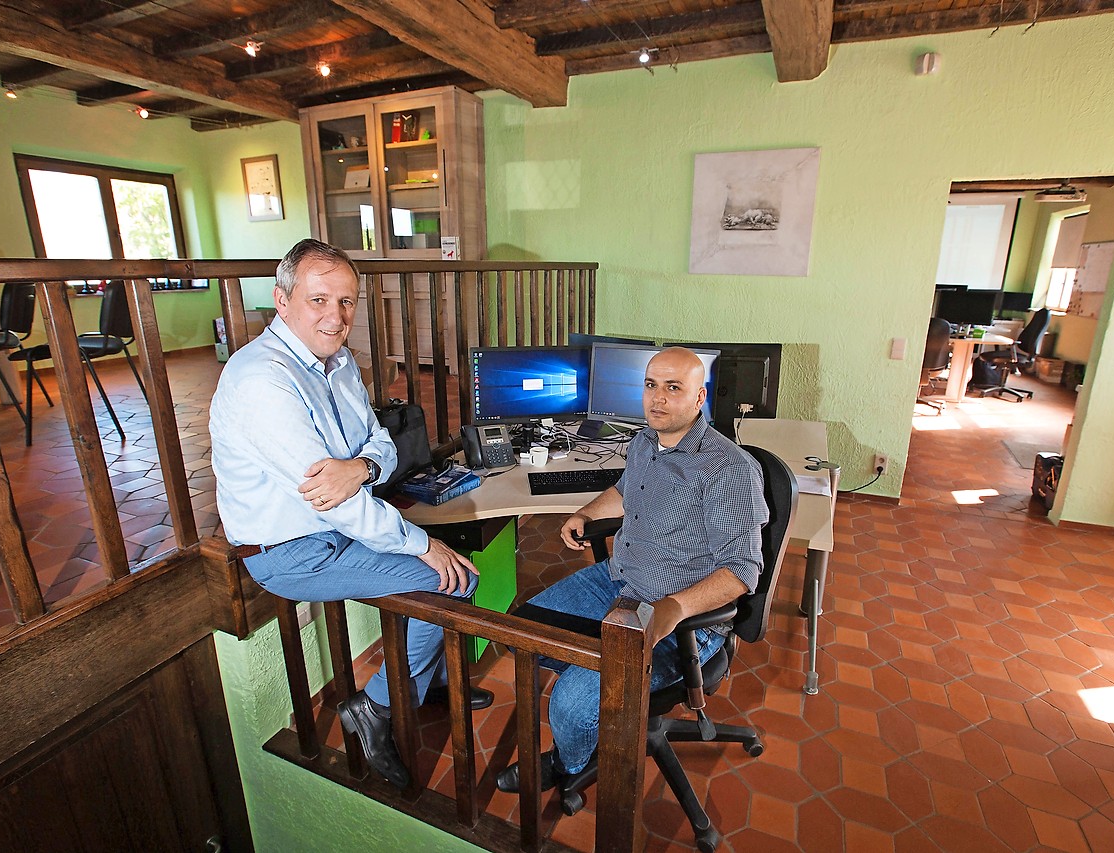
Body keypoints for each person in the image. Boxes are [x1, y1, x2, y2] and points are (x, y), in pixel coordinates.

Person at [210, 238, 491, 790]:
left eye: (346, 302)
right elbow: (333, 502)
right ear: (282, 300)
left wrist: (359, 467)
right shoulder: (262, 382)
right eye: (319, 300)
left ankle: (424, 679)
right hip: (289, 553)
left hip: (335, 526)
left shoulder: (337, 362)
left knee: (455, 571)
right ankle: (377, 707)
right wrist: (419, 543)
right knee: (453, 578)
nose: (335, 317)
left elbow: (382, 446)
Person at [495, 346, 769, 794]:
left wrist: (674, 607)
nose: (657, 399)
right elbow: (625, 490)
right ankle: (602, 693)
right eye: (650, 386)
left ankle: (570, 763)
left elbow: (742, 571)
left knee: (571, 705)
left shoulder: (729, 469)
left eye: (673, 388)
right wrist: (585, 512)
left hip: (677, 616)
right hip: (616, 579)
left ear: (700, 398)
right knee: (519, 633)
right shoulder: (645, 441)